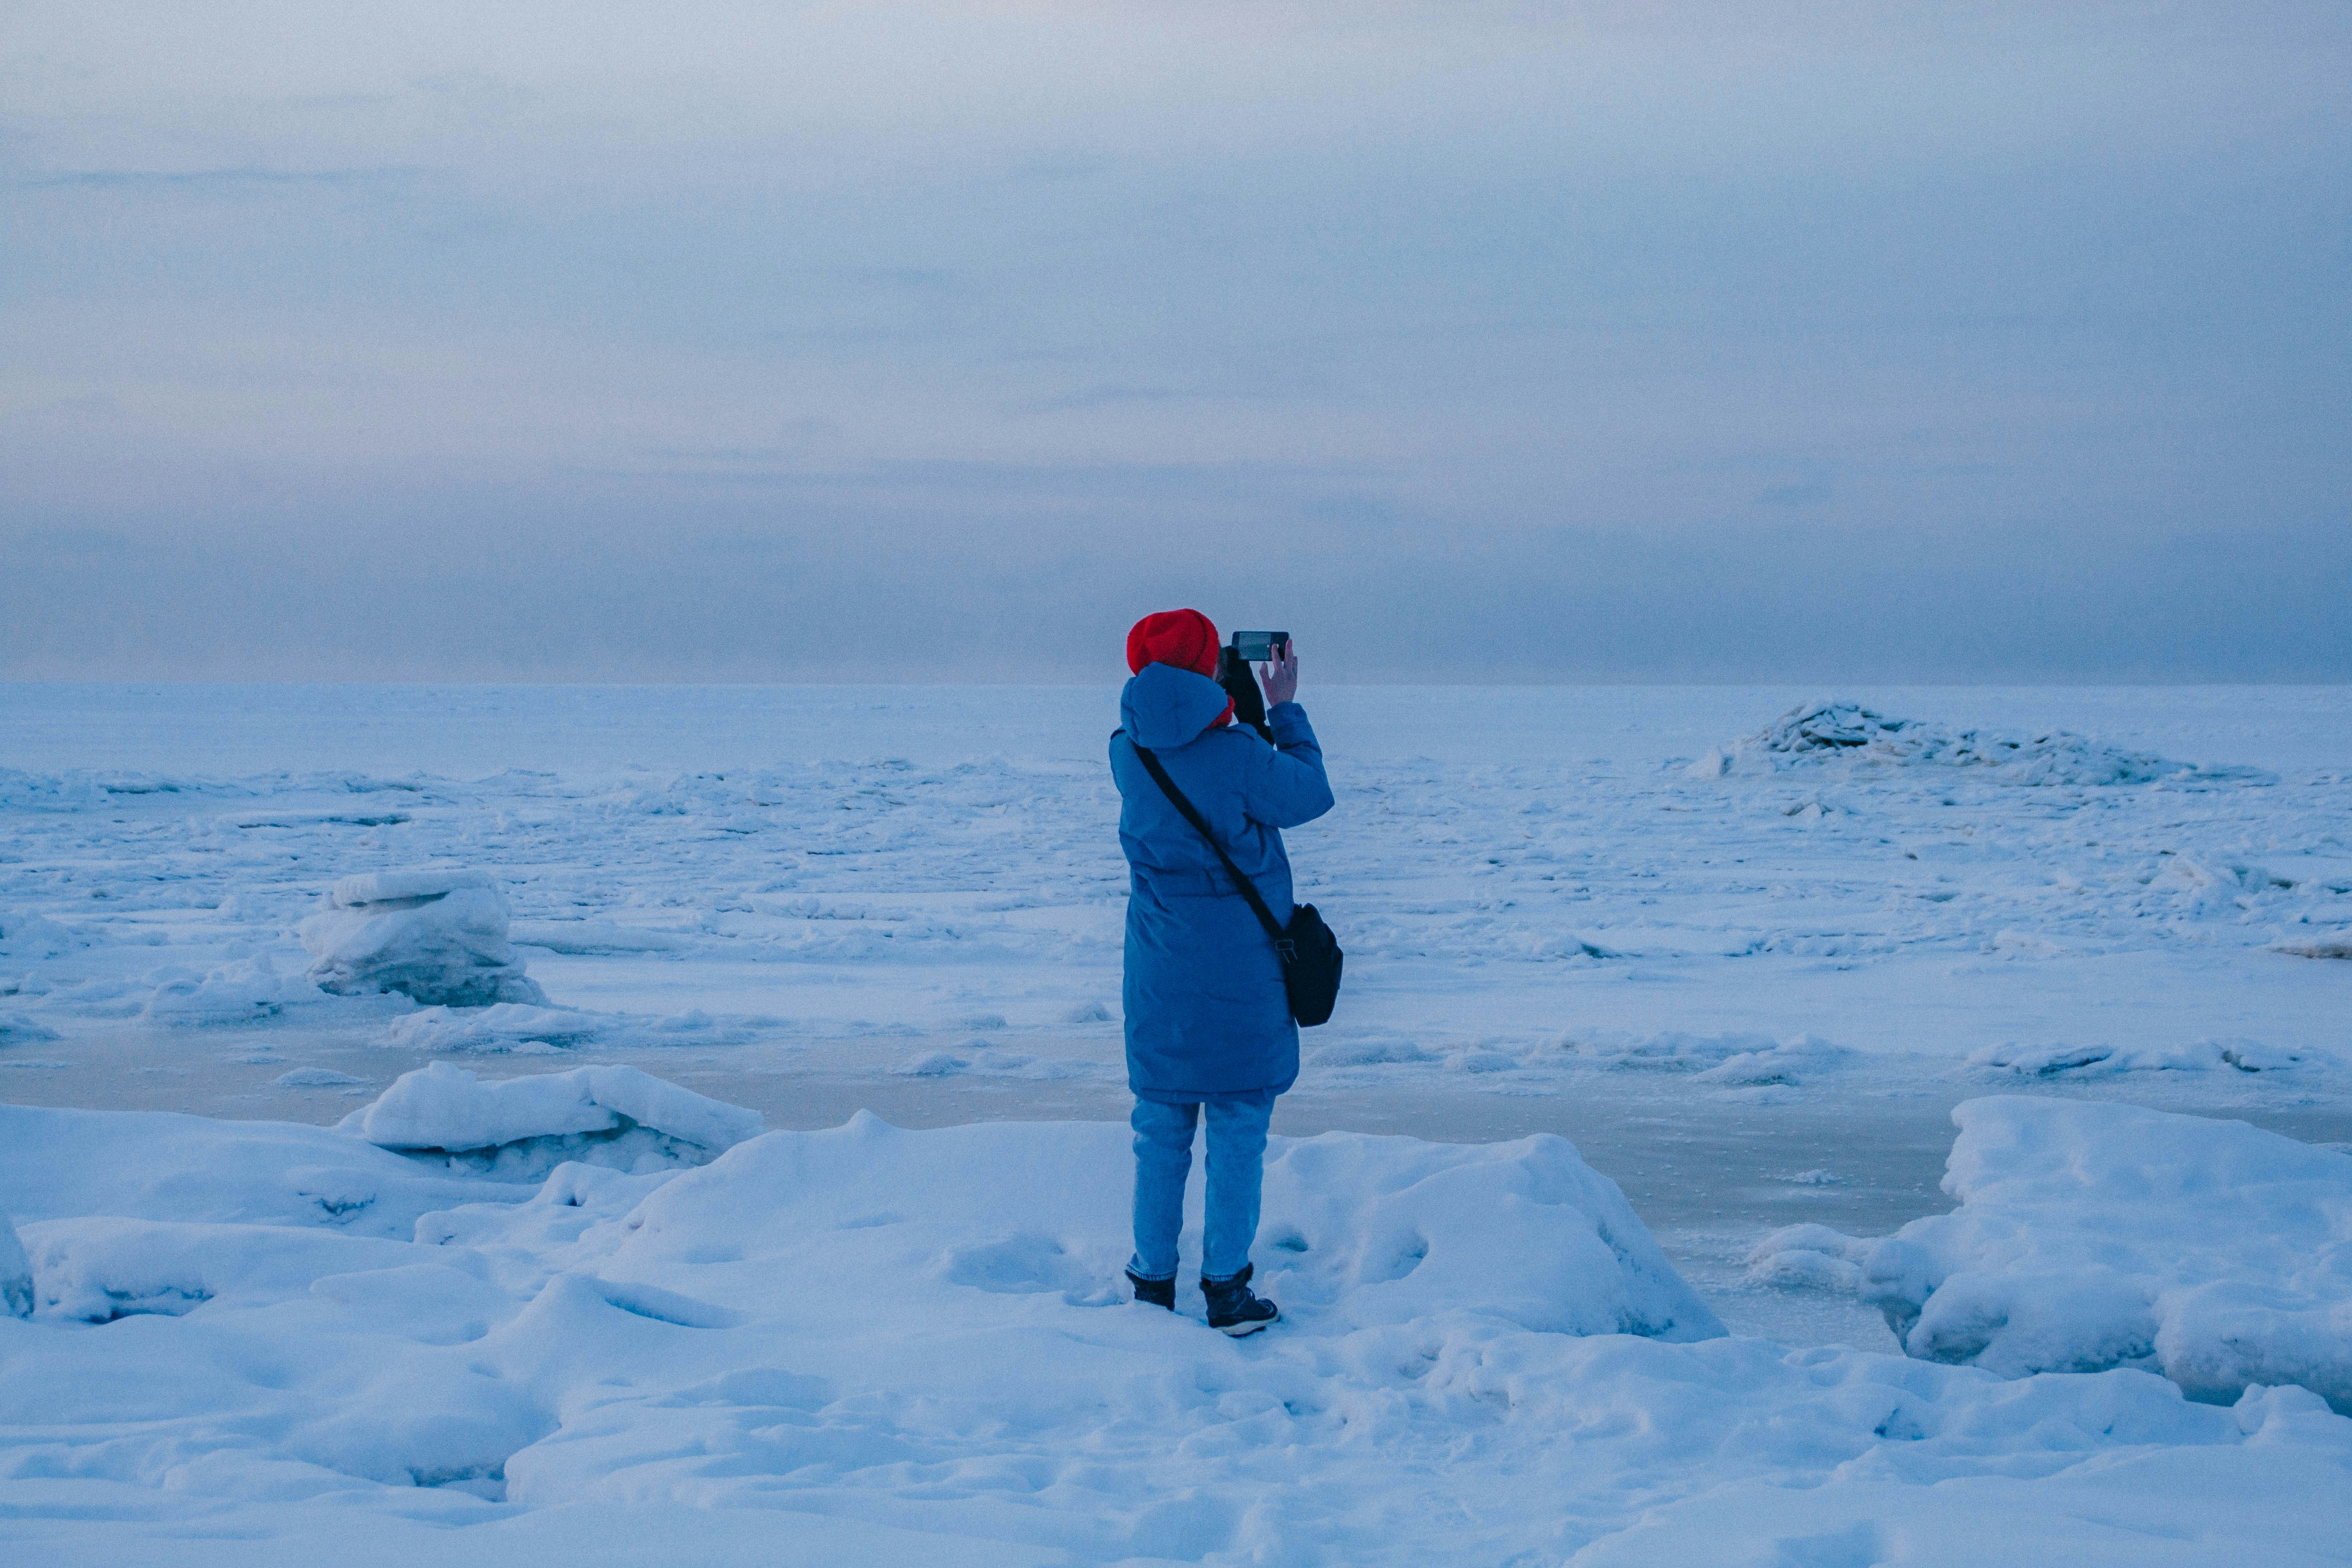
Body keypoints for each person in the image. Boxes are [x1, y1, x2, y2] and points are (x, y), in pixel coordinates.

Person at [1109, 609, 1335, 1335]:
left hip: (1159, 972)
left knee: (1162, 1128)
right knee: (1238, 1128)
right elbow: (1308, 794)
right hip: (1241, 974)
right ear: (1211, 667)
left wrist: (1220, 702)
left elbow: (1181, 743)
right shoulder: (1239, 755)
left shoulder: (1125, 752)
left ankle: (1151, 1282)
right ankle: (1227, 1292)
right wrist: (1282, 706)